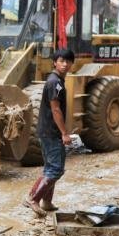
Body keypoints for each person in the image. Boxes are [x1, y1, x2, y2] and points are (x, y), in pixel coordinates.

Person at [25, 48, 75, 217]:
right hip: (51, 132)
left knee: (50, 167)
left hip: (46, 130)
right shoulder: (55, 82)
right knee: (55, 169)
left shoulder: (56, 81)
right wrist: (64, 133)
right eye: (61, 60)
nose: (65, 64)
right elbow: (56, 110)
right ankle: (33, 198)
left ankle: (46, 202)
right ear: (55, 62)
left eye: (68, 61)